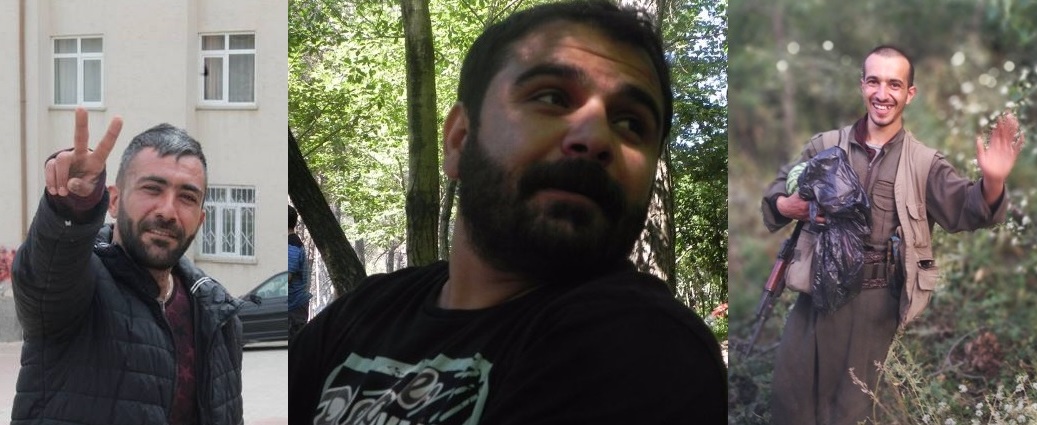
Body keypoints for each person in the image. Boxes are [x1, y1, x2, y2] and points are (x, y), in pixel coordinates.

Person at [288, 1, 727, 423]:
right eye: (552, 97)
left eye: (632, 123)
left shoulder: (644, 347)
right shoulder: (364, 311)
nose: (596, 137)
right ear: (460, 139)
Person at [761, 45, 1024, 424]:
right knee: (792, 400)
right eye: (874, 82)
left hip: (874, 303)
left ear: (909, 94)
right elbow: (778, 190)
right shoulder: (824, 146)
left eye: (894, 84)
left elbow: (969, 208)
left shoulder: (924, 163)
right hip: (816, 295)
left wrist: (993, 182)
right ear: (862, 85)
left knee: (850, 412)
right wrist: (788, 205)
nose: (882, 94)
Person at [12, 108, 244, 424]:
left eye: (187, 197)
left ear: (201, 219)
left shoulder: (218, 315)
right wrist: (73, 206)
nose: (168, 211)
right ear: (113, 200)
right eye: (152, 189)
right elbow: (45, 274)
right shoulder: (79, 286)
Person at [288, 205, 311, 343]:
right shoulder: (293, 243)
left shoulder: (291, 245)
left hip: (293, 308)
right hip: (295, 307)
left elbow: (286, 277)